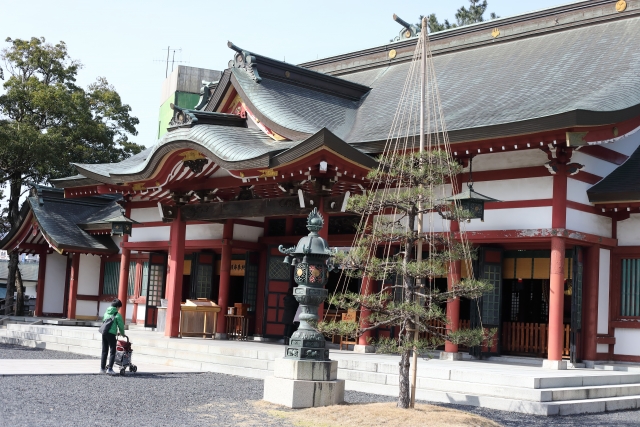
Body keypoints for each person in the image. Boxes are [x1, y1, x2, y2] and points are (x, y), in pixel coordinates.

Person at [100, 298, 126, 374]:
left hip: (104, 333)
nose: (119, 309)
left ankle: (102, 368)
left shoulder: (106, 313)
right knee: (112, 351)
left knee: (104, 351)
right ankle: (110, 369)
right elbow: (121, 325)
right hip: (111, 334)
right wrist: (122, 333)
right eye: (119, 307)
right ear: (117, 307)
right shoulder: (117, 315)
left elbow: (104, 322)